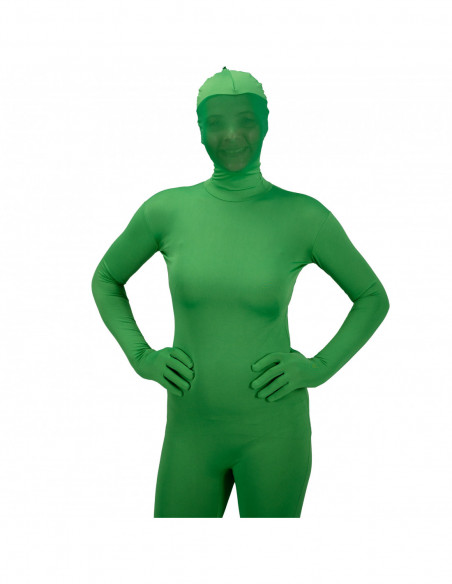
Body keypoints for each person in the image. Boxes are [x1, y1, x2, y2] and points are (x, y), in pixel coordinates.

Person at [91, 67, 390, 518]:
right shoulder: (165, 211)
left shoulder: (304, 217)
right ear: (199, 129)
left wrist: (319, 368)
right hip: (190, 432)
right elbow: (106, 279)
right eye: (216, 122)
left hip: (275, 434)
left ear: (266, 123)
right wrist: (141, 356)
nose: (231, 135)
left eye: (246, 120)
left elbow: (371, 297)